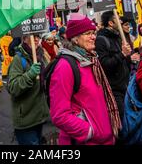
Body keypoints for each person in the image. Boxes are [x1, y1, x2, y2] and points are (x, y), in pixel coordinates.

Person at [49, 14, 121, 145]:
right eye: (88, 33)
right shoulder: (65, 66)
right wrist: (89, 131)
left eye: (93, 32)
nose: (94, 37)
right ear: (75, 39)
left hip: (105, 139)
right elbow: (59, 115)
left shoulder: (92, 59)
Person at [7, 34, 49, 145]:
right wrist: (29, 75)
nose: (35, 39)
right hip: (25, 120)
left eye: (38, 36)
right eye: (32, 36)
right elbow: (12, 87)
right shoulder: (18, 59)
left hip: (39, 117)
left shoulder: (41, 55)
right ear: (24, 38)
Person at [95, 10, 132, 120]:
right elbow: (104, 64)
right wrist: (122, 54)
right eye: (118, 19)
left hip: (125, 84)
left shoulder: (119, 37)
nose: (121, 21)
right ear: (111, 23)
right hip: (114, 89)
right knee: (121, 119)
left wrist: (129, 57)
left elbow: (125, 60)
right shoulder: (101, 40)